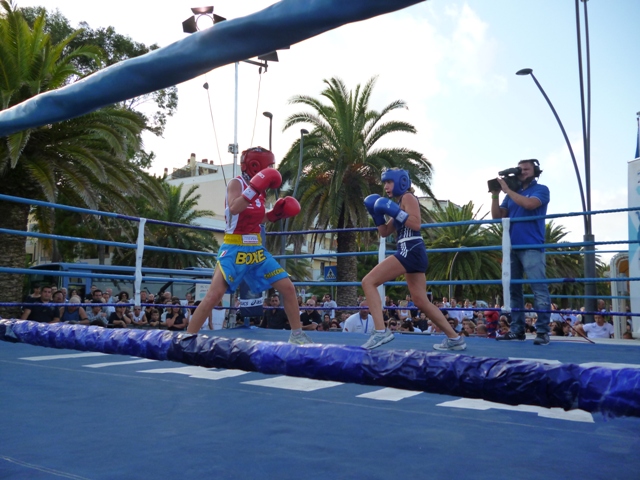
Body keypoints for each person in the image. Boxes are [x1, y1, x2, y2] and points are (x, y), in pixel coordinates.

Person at [185, 147, 312, 344]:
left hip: (256, 249)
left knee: (287, 287)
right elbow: (235, 208)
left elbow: (260, 218)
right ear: (256, 165)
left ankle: (297, 335)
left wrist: (275, 214)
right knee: (214, 295)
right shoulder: (237, 183)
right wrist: (254, 188)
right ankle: (186, 338)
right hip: (234, 247)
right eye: (269, 165)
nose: (271, 169)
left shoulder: (261, 191)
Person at [361, 168, 466, 350]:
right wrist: (376, 214)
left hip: (409, 249)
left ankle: (380, 331)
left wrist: (394, 210)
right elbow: (385, 232)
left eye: (389, 182)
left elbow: (416, 223)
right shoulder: (399, 203)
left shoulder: (408, 198)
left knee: (368, 281)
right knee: (420, 301)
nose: (386, 186)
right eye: (384, 183)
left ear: (401, 182)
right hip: (414, 251)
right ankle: (455, 339)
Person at [491, 158, 551, 346]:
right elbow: (498, 217)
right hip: (511, 247)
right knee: (513, 290)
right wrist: (494, 195)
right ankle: (517, 330)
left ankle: (542, 332)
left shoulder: (541, 189)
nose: (522, 172)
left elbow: (530, 205)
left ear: (535, 171)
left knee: (538, 289)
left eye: (526, 169)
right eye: (519, 169)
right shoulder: (512, 194)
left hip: (532, 245)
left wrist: (508, 190)